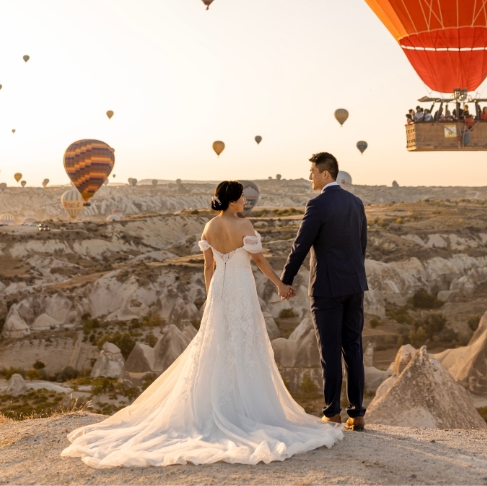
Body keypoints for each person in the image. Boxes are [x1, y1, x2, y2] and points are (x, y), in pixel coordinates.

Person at [61, 181, 342, 467]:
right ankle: (245, 408)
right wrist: (281, 285)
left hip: (220, 288)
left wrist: (211, 298)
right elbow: (259, 261)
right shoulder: (245, 227)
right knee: (244, 343)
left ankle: (212, 406)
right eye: (242, 197)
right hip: (240, 289)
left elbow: (209, 267)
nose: (245, 200)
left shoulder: (209, 227)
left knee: (216, 345)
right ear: (233, 201)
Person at [280, 153, 369, 432]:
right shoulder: (355, 203)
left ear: (326, 174)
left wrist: (286, 279)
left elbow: (301, 245)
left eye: (312, 172)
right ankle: (357, 414)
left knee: (329, 352)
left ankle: (332, 413)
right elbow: (361, 244)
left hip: (327, 288)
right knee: (353, 350)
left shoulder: (317, 204)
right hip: (354, 285)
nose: (310, 177)